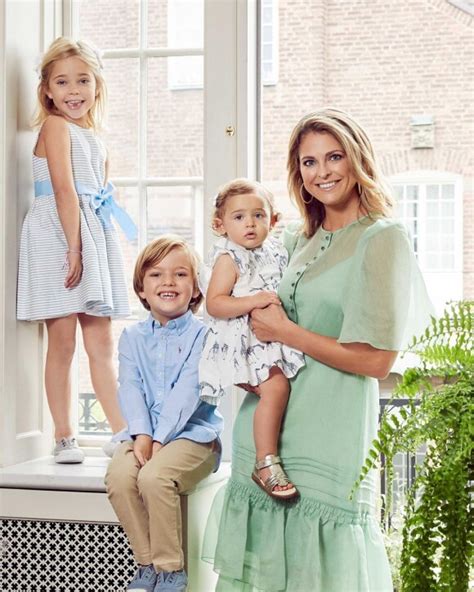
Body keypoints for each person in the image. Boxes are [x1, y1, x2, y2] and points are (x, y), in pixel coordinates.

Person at [202, 108, 433, 591]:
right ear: (298, 174)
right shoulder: (293, 238)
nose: (323, 172)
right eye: (309, 162)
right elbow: (237, 310)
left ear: (356, 159)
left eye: (334, 157)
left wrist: (286, 332)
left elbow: (378, 360)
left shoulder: (381, 238)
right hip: (264, 434)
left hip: (332, 430)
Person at [17, 37, 136, 462]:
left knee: (101, 341)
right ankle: (64, 435)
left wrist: (96, 249)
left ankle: (121, 430)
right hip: (58, 237)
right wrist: (74, 248)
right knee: (63, 342)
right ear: (47, 89)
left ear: (97, 85)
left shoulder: (96, 138)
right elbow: (65, 191)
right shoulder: (53, 126)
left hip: (89, 235)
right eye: (62, 82)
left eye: (82, 81)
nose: (73, 91)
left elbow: (93, 196)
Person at [105, 235, 223, 592]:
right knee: (120, 477)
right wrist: (142, 434)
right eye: (156, 275)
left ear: (196, 287)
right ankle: (147, 564)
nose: (168, 282)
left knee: (154, 477)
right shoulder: (131, 337)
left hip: (193, 435)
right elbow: (130, 387)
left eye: (180, 274)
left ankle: (172, 571)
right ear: (142, 288)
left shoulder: (205, 336)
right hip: (142, 433)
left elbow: (188, 392)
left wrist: (159, 438)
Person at [199, 179, 304, 500]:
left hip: (271, 336)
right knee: (276, 387)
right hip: (243, 340)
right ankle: (265, 462)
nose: (250, 224)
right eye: (239, 217)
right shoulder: (230, 258)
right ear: (221, 225)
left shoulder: (275, 249)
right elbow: (215, 303)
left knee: (287, 386)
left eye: (259, 215)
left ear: (273, 220)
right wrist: (255, 300)